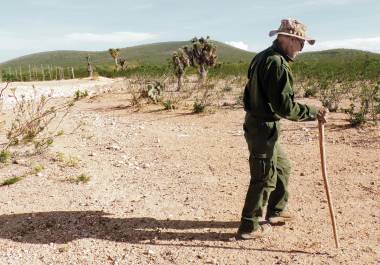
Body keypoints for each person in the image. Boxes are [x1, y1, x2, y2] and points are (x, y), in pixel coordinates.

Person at [237, 19, 328, 240]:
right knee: (262, 176)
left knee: (283, 167)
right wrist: (313, 111)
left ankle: (275, 211)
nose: (301, 48)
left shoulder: (263, 57)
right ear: (286, 39)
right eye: (299, 42)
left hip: (262, 125)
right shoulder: (276, 63)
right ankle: (249, 226)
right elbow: (284, 107)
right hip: (262, 126)